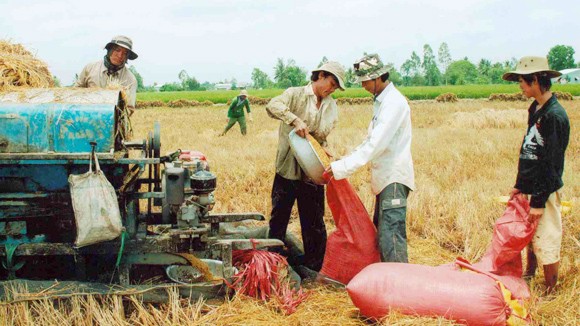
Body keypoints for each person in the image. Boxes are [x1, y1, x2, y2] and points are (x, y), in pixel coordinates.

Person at [325, 53, 414, 263]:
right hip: (385, 179)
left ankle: (398, 287)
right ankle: (388, 285)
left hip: (393, 179)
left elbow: (375, 145)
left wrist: (342, 168)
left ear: (378, 77)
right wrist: (343, 160)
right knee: (383, 237)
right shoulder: (381, 103)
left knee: (391, 237)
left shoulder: (393, 103)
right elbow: (369, 141)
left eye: (365, 81)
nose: (363, 85)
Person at [266, 61, 346, 275]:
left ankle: (314, 267)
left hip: (312, 171)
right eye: (331, 83)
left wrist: (325, 149)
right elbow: (272, 106)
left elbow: (321, 137)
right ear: (320, 75)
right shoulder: (295, 94)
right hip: (288, 168)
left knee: (314, 221)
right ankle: (272, 263)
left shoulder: (331, 105)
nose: (332, 89)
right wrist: (294, 120)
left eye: (336, 87)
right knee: (279, 217)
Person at [503, 56, 570, 293]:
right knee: (529, 237)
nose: (520, 86)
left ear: (535, 80)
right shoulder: (536, 108)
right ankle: (529, 279)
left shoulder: (554, 116)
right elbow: (529, 150)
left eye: (522, 81)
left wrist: (539, 202)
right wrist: (520, 185)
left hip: (546, 190)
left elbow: (552, 164)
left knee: (547, 239)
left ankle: (552, 292)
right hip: (532, 187)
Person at [75, 35, 138, 112]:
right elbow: (75, 93)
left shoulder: (130, 80)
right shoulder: (90, 68)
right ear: (110, 50)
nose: (120, 55)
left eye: (125, 53)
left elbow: (129, 109)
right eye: (117, 50)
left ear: (127, 57)